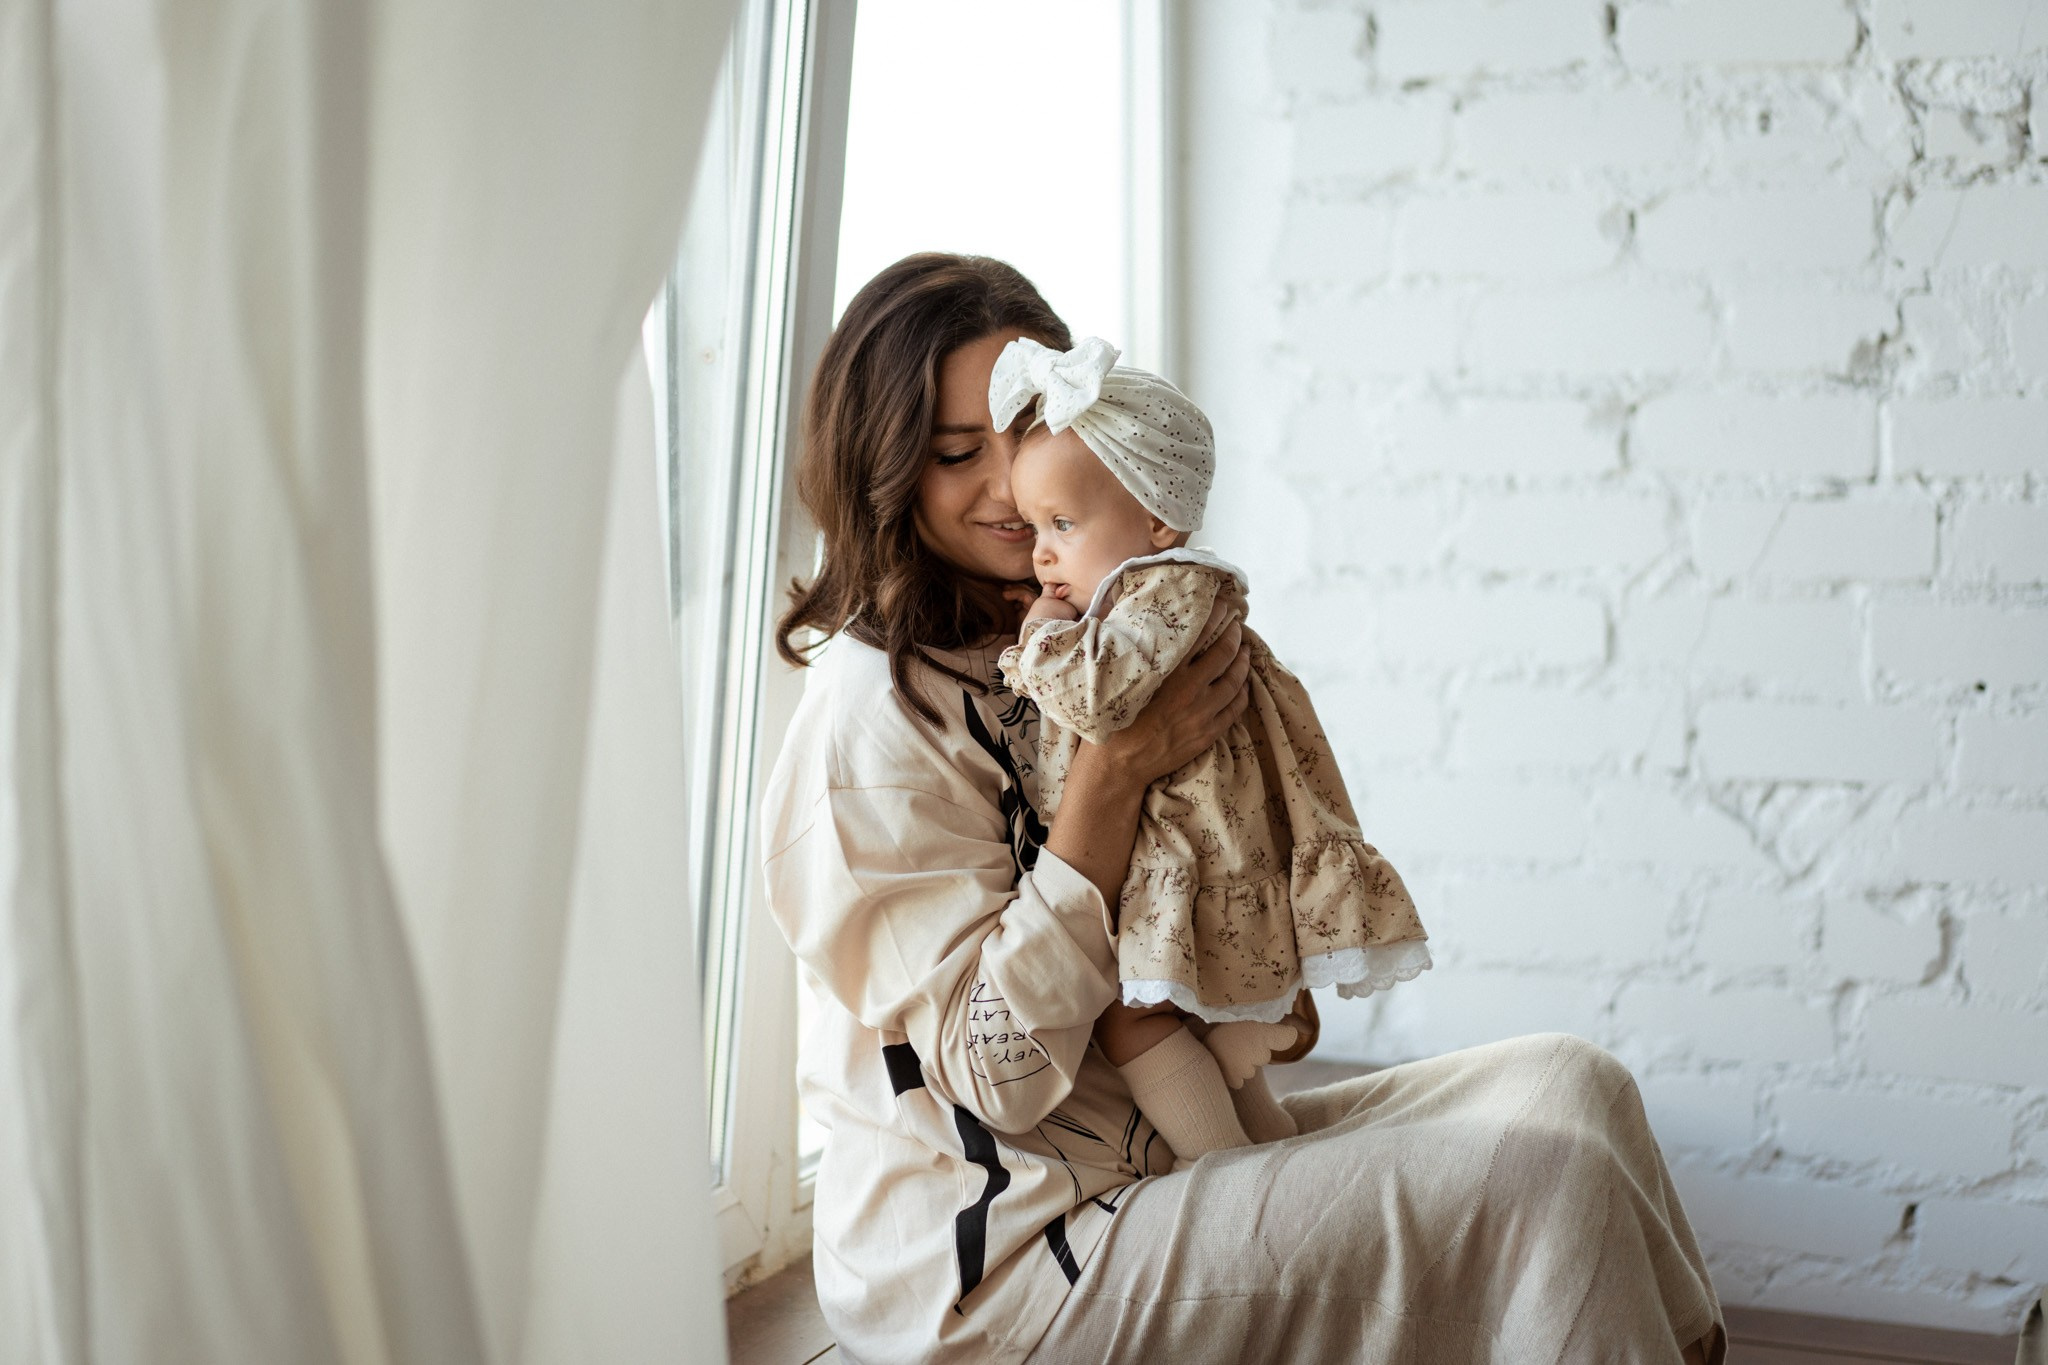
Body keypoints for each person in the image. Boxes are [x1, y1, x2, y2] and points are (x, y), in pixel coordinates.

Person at [759, 252, 1726, 1365]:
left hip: (1157, 1153)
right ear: (883, 468)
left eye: (1014, 436)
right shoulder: (865, 728)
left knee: (1573, 1084)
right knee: (1538, 1179)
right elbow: (1001, 1077)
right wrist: (1112, 782)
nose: (1001, 490)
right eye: (951, 454)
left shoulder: (1057, 629)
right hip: (1009, 1267)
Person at [990, 333, 1433, 1166]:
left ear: (1157, 517)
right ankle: (1279, 1173)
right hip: (1183, 856)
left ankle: (1233, 1184)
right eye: (1033, 525)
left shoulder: (1170, 591)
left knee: (1132, 1019)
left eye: (1062, 523)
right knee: (1181, 1027)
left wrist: (1041, 637)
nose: (1039, 551)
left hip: (1199, 864)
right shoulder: (1143, 591)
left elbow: (1101, 695)